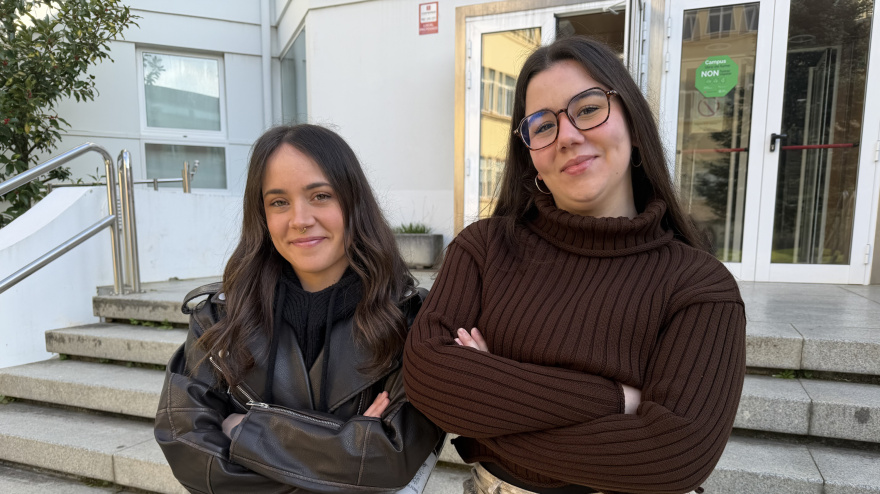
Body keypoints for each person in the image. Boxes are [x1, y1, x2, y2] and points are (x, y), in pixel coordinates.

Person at [402, 36, 745, 494]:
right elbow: (430, 378)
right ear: (531, 158)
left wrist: (490, 402)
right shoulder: (484, 249)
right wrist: (616, 399)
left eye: (587, 109)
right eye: (541, 125)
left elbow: (673, 457)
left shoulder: (699, 286)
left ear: (633, 124)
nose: (566, 136)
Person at [155, 124, 443, 493]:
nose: (300, 219)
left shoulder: (411, 320)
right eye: (278, 202)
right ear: (261, 214)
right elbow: (186, 445)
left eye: (320, 195)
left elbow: (392, 459)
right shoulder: (219, 319)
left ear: (353, 201)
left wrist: (243, 430)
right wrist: (345, 450)